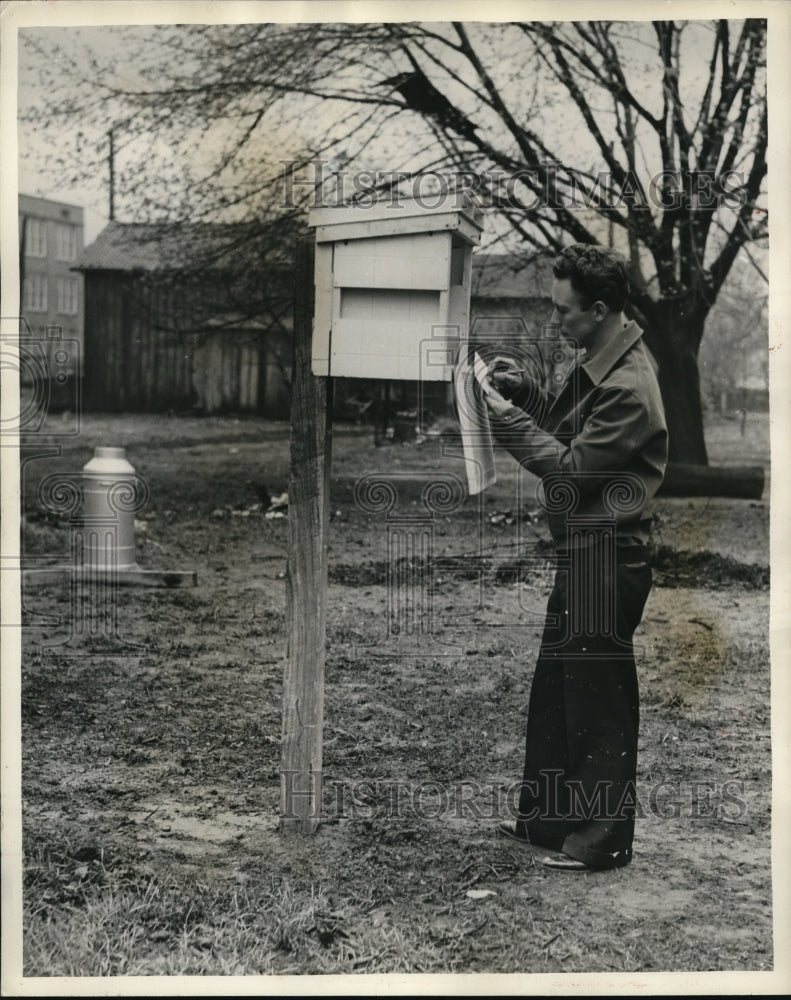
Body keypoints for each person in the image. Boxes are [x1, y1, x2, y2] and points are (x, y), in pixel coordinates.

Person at [483, 243, 668, 871]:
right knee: (560, 690)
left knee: (599, 699)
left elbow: (570, 469)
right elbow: (571, 429)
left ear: (600, 309)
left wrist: (505, 424)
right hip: (588, 552)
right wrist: (526, 394)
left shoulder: (628, 388)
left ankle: (603, 837)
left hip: (609, 557)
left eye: (564, 312)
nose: (555, 321)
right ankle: (550, 823)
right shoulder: (603, 361)